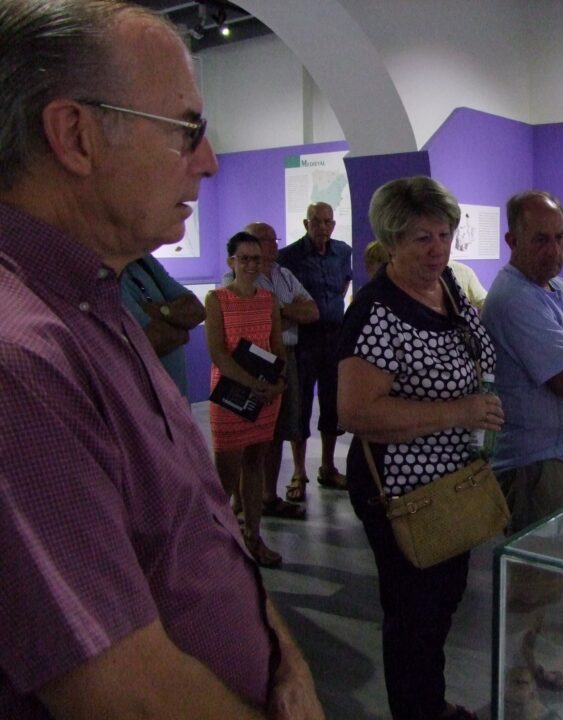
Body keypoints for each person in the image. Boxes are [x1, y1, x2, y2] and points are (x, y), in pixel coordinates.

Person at [0, 2, 323, 718]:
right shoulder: (20, 359)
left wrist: (283, 656)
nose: (208, 161)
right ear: (75, 136)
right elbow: (120, 692)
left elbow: (200, 531)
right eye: (187, 130)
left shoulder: (96, 300)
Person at [338, 176, 501, 720]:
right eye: (420, 240)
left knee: (441, 607)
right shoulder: (376, 311)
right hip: (405, 493)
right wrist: (459, 412)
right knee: (413, 616)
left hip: (452, 482)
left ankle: (429, 705)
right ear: (389, 243)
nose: (437, 250)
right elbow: (357, 413)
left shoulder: (448, 287)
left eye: (444, 235)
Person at [482, 191, 563, 533]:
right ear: (512, 240)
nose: (554, 250)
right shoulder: (515, 298)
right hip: (535, 467)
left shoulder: (561, 290)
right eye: (541, 239)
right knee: (539, 582)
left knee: (555, 575)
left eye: (560, 237)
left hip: (562, 459)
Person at [222, 222, 320, 520]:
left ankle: (266, 497)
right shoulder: (228, 284)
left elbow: (312, 312)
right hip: (245, 364)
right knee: (243, 436)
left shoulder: (284, 275)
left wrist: (278, 312)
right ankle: (238, 503)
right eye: (266, 240)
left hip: (283, 357)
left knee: (275, 431)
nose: (273, 245)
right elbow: (240, 327)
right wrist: (285, 312)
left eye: (273, 239)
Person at [207, 231, 286, 565]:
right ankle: (214, 545)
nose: (252, 264)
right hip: (230, 395)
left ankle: (254, 538)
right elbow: (218, 354)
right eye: (245, 258)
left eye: (257, 258)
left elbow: (277, 348)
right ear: (232, 261)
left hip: (264, 395)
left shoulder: (268, 301)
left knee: (255, 465)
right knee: (225, 474)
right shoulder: (217, 299)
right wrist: (252, 383)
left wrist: (278, 383)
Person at [278, 201, 352, 497]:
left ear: (333, 225)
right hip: (304, 342)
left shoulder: (342, 252)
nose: (322, 227)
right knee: (301, 404)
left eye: (327, 221)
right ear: (306, 224)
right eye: (316, 221)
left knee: (332, 404)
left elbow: (344, 284)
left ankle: (327, 467)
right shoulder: (289, 257)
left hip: (335, 339)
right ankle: (298, 472)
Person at [121, 252, 206, 398]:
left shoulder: (143, 260)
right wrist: (181, 330)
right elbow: (152, 340)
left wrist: (160, 310)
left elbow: (197, 311)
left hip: (177, 402)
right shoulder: (103, 277)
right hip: (143, 404)